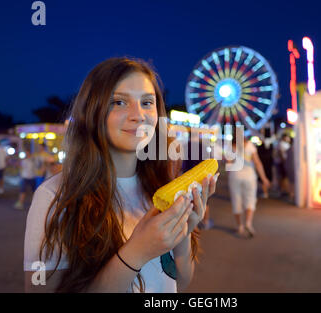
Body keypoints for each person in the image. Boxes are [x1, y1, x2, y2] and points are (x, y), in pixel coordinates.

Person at [23, 57, 218, 293]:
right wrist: (137, 252)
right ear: (92, 111)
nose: (138, 115)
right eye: (118, 102)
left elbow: (180, 283)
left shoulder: (161, 187)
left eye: (147, 102)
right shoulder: (55, 195)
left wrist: (184, 234)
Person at [227, 136, 270, 238]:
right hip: (249, 176)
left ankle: (239, 226)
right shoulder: (250, 146)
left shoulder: (231, 147)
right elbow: (257, 163)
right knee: (250, 199)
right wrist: (264, 178)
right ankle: (248, 223)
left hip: (235, 176)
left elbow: (228, 164)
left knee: (236, 200)